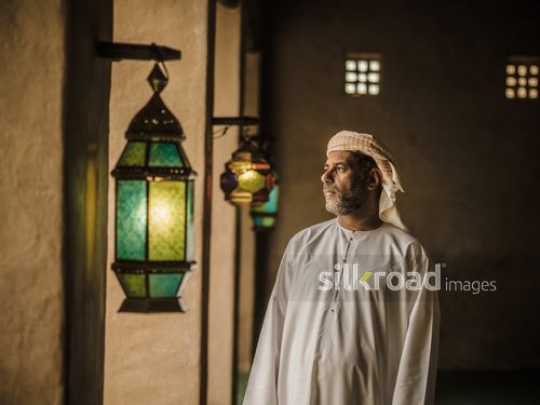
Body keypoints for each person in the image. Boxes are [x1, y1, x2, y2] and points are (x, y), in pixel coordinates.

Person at [243, 130, 440, 405]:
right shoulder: (303, 244)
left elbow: (419, 350)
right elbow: (274, 328)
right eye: (326, 168)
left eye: (340, 168)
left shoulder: (407, 253)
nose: (325, 177)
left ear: (372, 179)